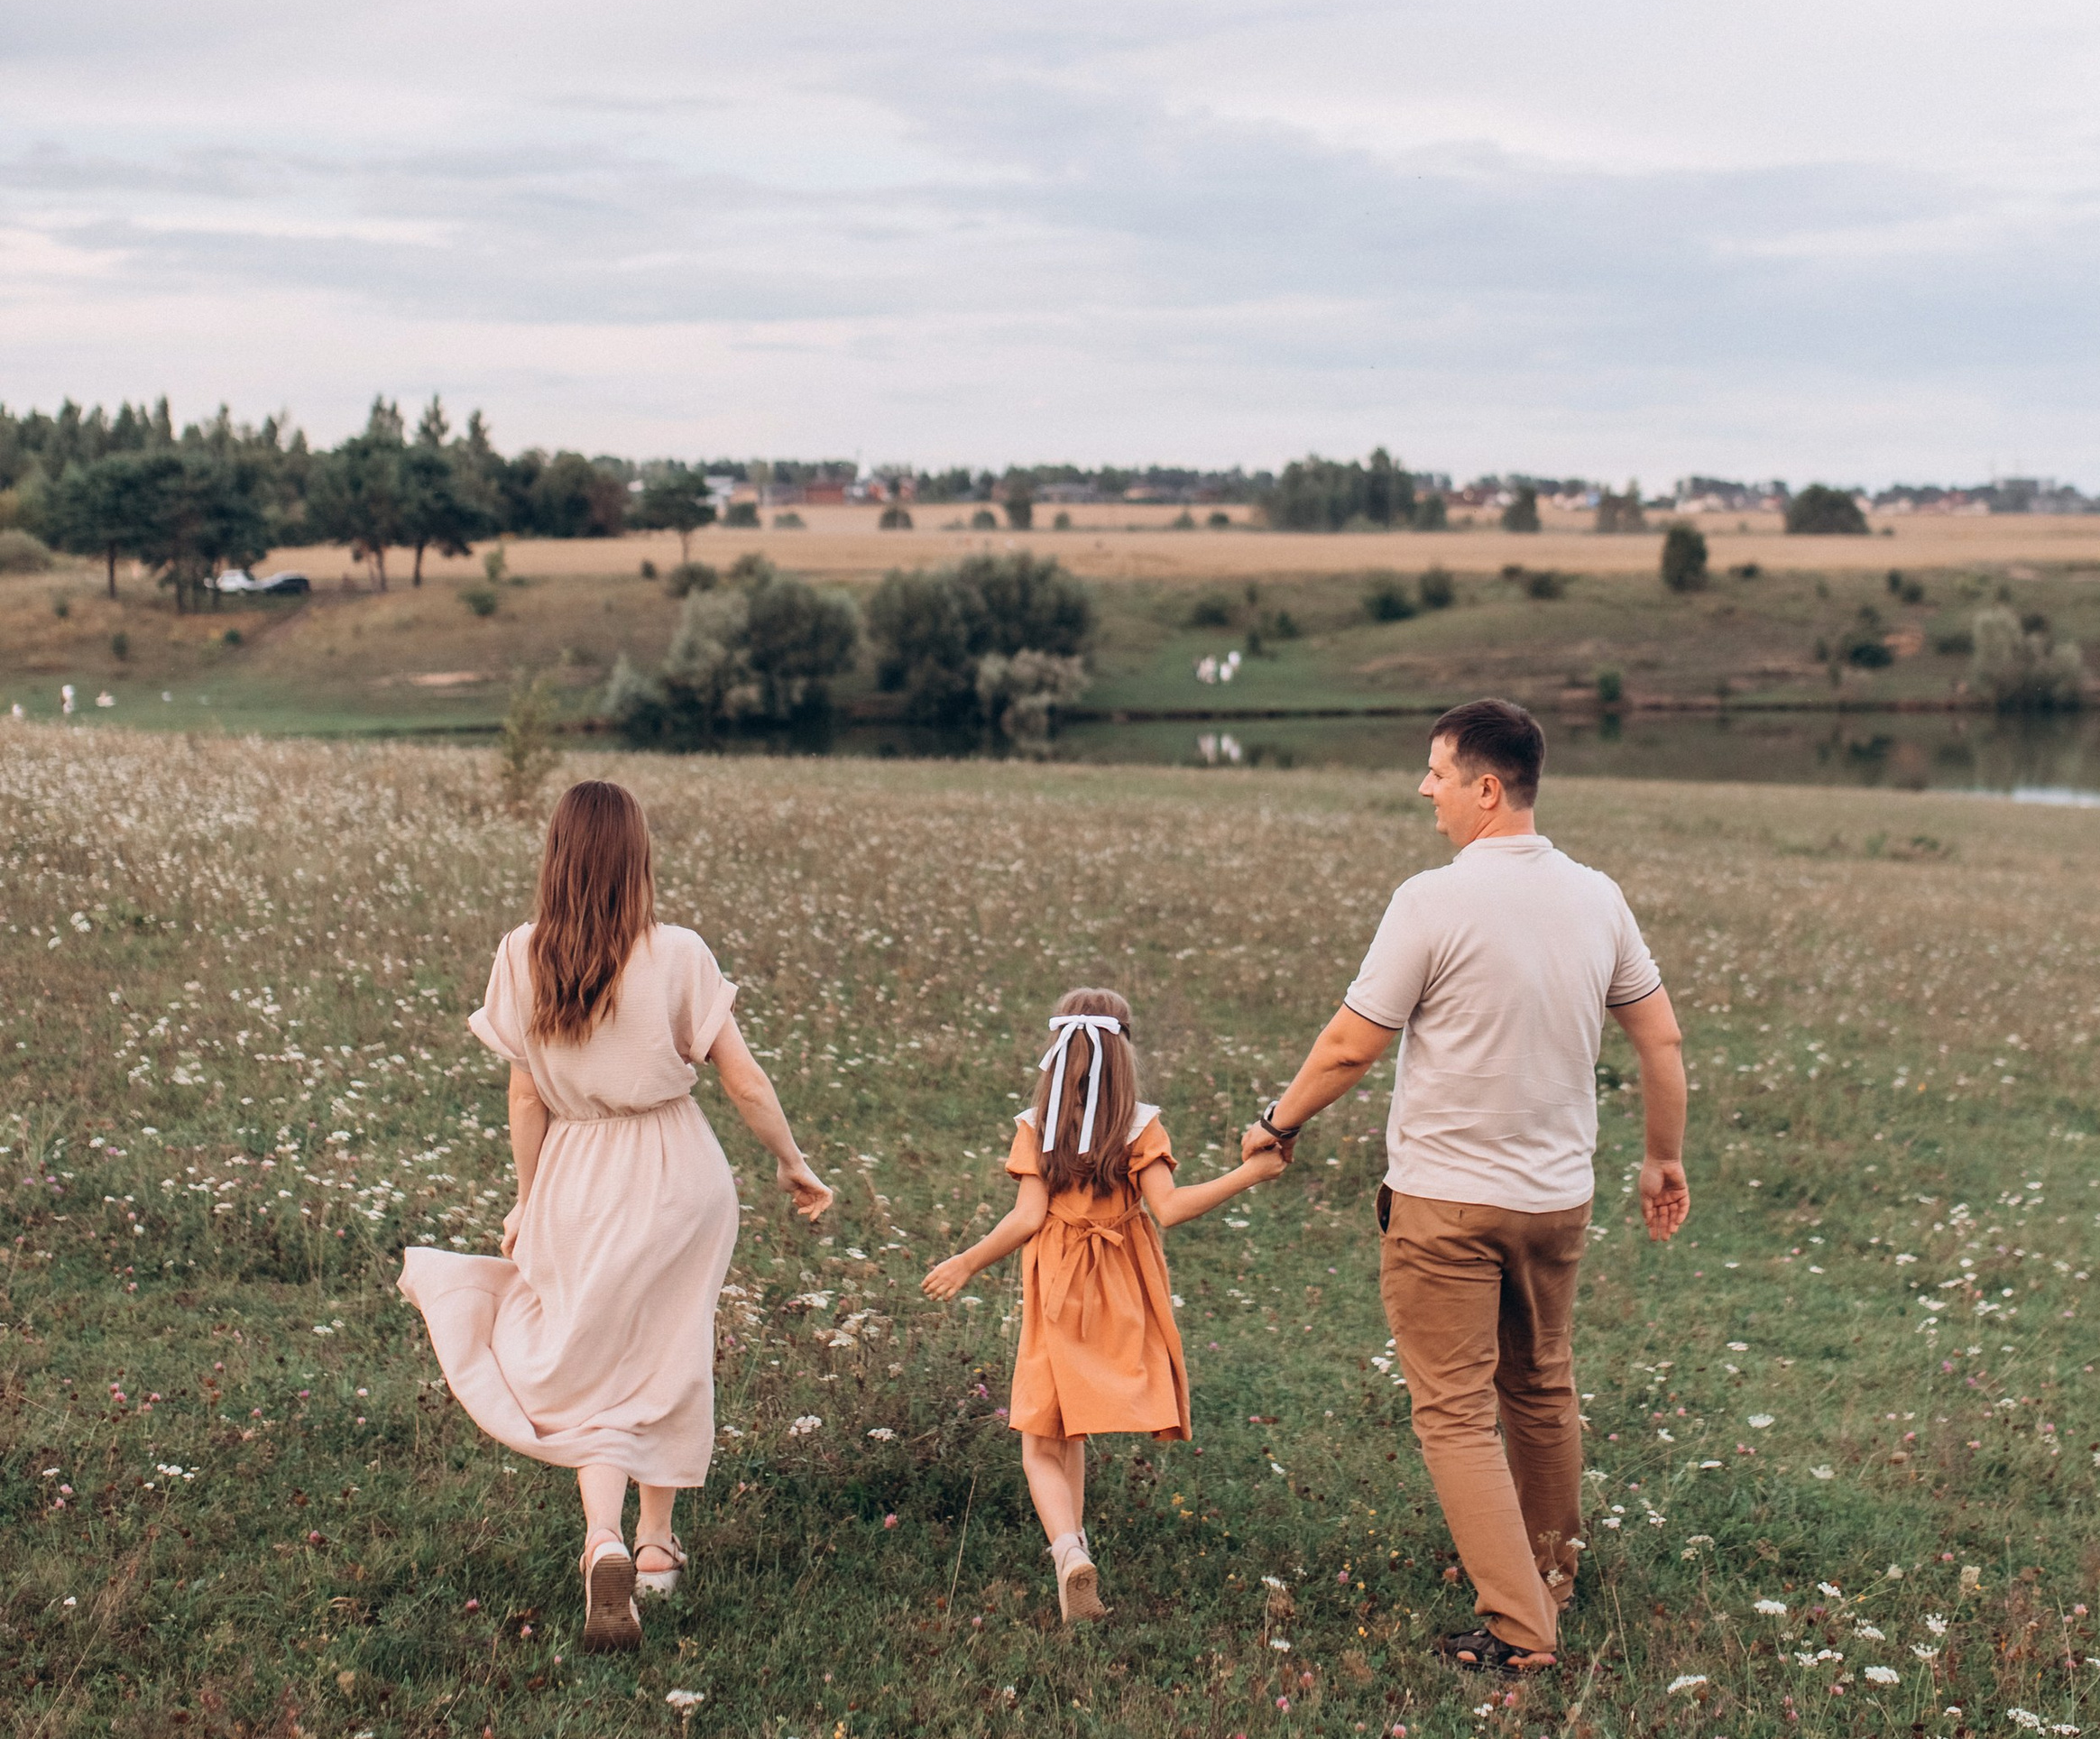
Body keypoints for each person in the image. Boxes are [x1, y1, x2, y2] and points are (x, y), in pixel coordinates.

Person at [1240, 697, 1687, 1679]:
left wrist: (1277, 1121)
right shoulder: (1597, 897)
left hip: (1445, 1203)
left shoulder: (1430, 901)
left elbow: (1352, 1044)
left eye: (1437, 773)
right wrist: (1662, 1156)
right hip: (1555, 1202)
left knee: (1452, 1412)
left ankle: (1521, 1631)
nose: (1424, 789)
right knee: (1540, 1386)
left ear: (1487, 789)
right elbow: (1659, 1038)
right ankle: (1549, 1576)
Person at [401, 779, 832, 1652]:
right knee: (668, 1348)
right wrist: (791, 1161)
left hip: (574, 1173)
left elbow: (526, 1097)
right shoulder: (678, 954)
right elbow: (743, 1080)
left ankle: (602, 1536)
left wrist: (528, 1201)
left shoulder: (521, 954)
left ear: (556, 857)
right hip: (675, 1174)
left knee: (592, 1356)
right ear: (637, 857)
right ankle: (656, 1547)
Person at [922, 988, 1289, 1621]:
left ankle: (1067, 1551)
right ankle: (1078, 1552)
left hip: (1058, 1282)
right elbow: (1168, 1208)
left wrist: (967, 1261)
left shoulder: (1037, 1126)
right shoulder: (1140, 1124)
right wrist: (1249, 1174)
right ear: (1124, 1051)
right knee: (1071, 1425)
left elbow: (1026, 1218)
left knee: (1042, 1434)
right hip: (1122, 1282)